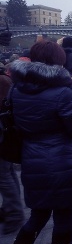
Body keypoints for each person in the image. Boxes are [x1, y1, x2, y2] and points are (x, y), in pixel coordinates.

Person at [6, 40, 72, 244]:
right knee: (64, 218)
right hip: (62, 162)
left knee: (37, 217)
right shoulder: (61, 93)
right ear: (58, 62)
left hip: (32, 161)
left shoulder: (17, 88)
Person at [0, 63, 24, 235]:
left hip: (4, 134)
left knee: (3, 174)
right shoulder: (7, 81)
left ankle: (14, 212)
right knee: (6, 172)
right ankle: (13, 209)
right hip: (6, 134)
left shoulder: (4, 82)